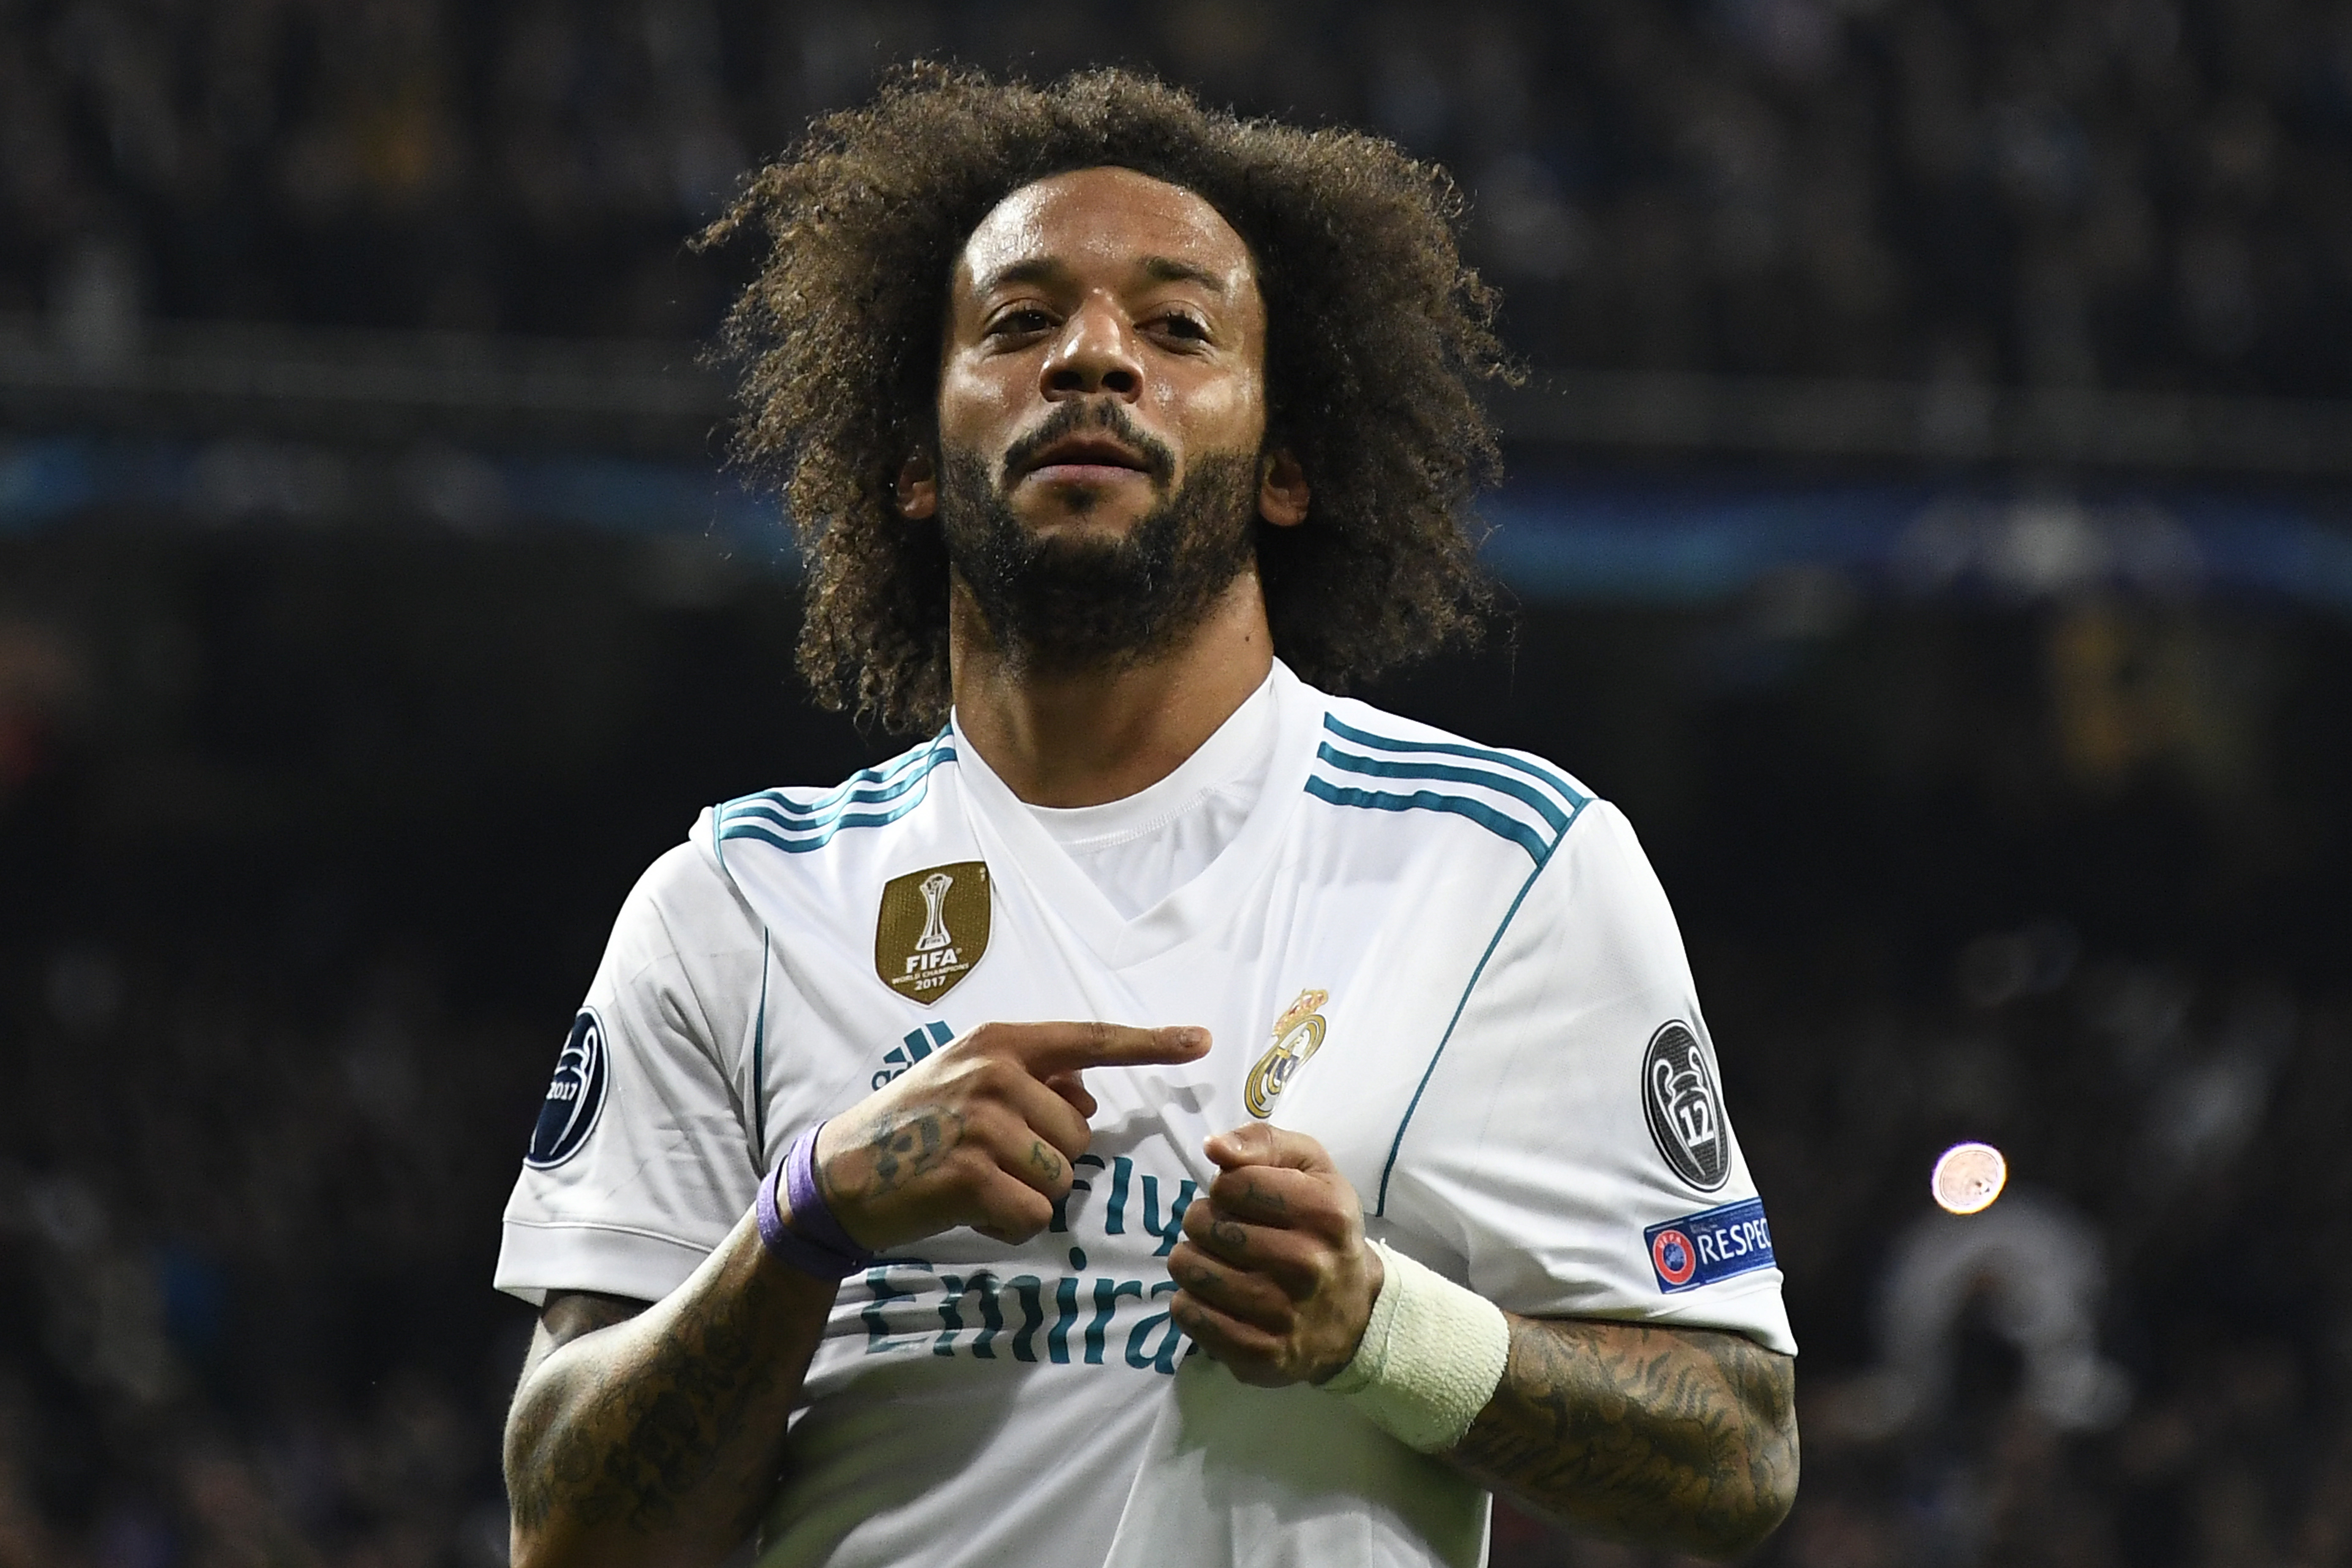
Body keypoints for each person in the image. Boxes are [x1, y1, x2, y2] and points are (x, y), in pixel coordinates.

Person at [494, 65, 1798, 1568]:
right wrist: (808, 1217)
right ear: (911, 463)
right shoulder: (735, 901)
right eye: (1019, 323)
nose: (1094, 359)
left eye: (1178, 329)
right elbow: (567, 1531)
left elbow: (1739, 1454)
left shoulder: (1504, 868)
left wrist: (1386, 1331)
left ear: (1287, 466)